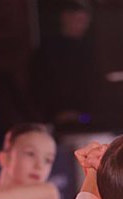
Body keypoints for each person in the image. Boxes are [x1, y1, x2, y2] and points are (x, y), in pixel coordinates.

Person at [31, 0, 98, 129]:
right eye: (79, 20)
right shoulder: (47, 51)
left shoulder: (87, 52)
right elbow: (40, 85)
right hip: (54, 117)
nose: (83, 27)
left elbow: (91, 86)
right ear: (65, 17)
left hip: (84, 116)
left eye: (86, 22)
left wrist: (84, 115)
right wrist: (55, 114)